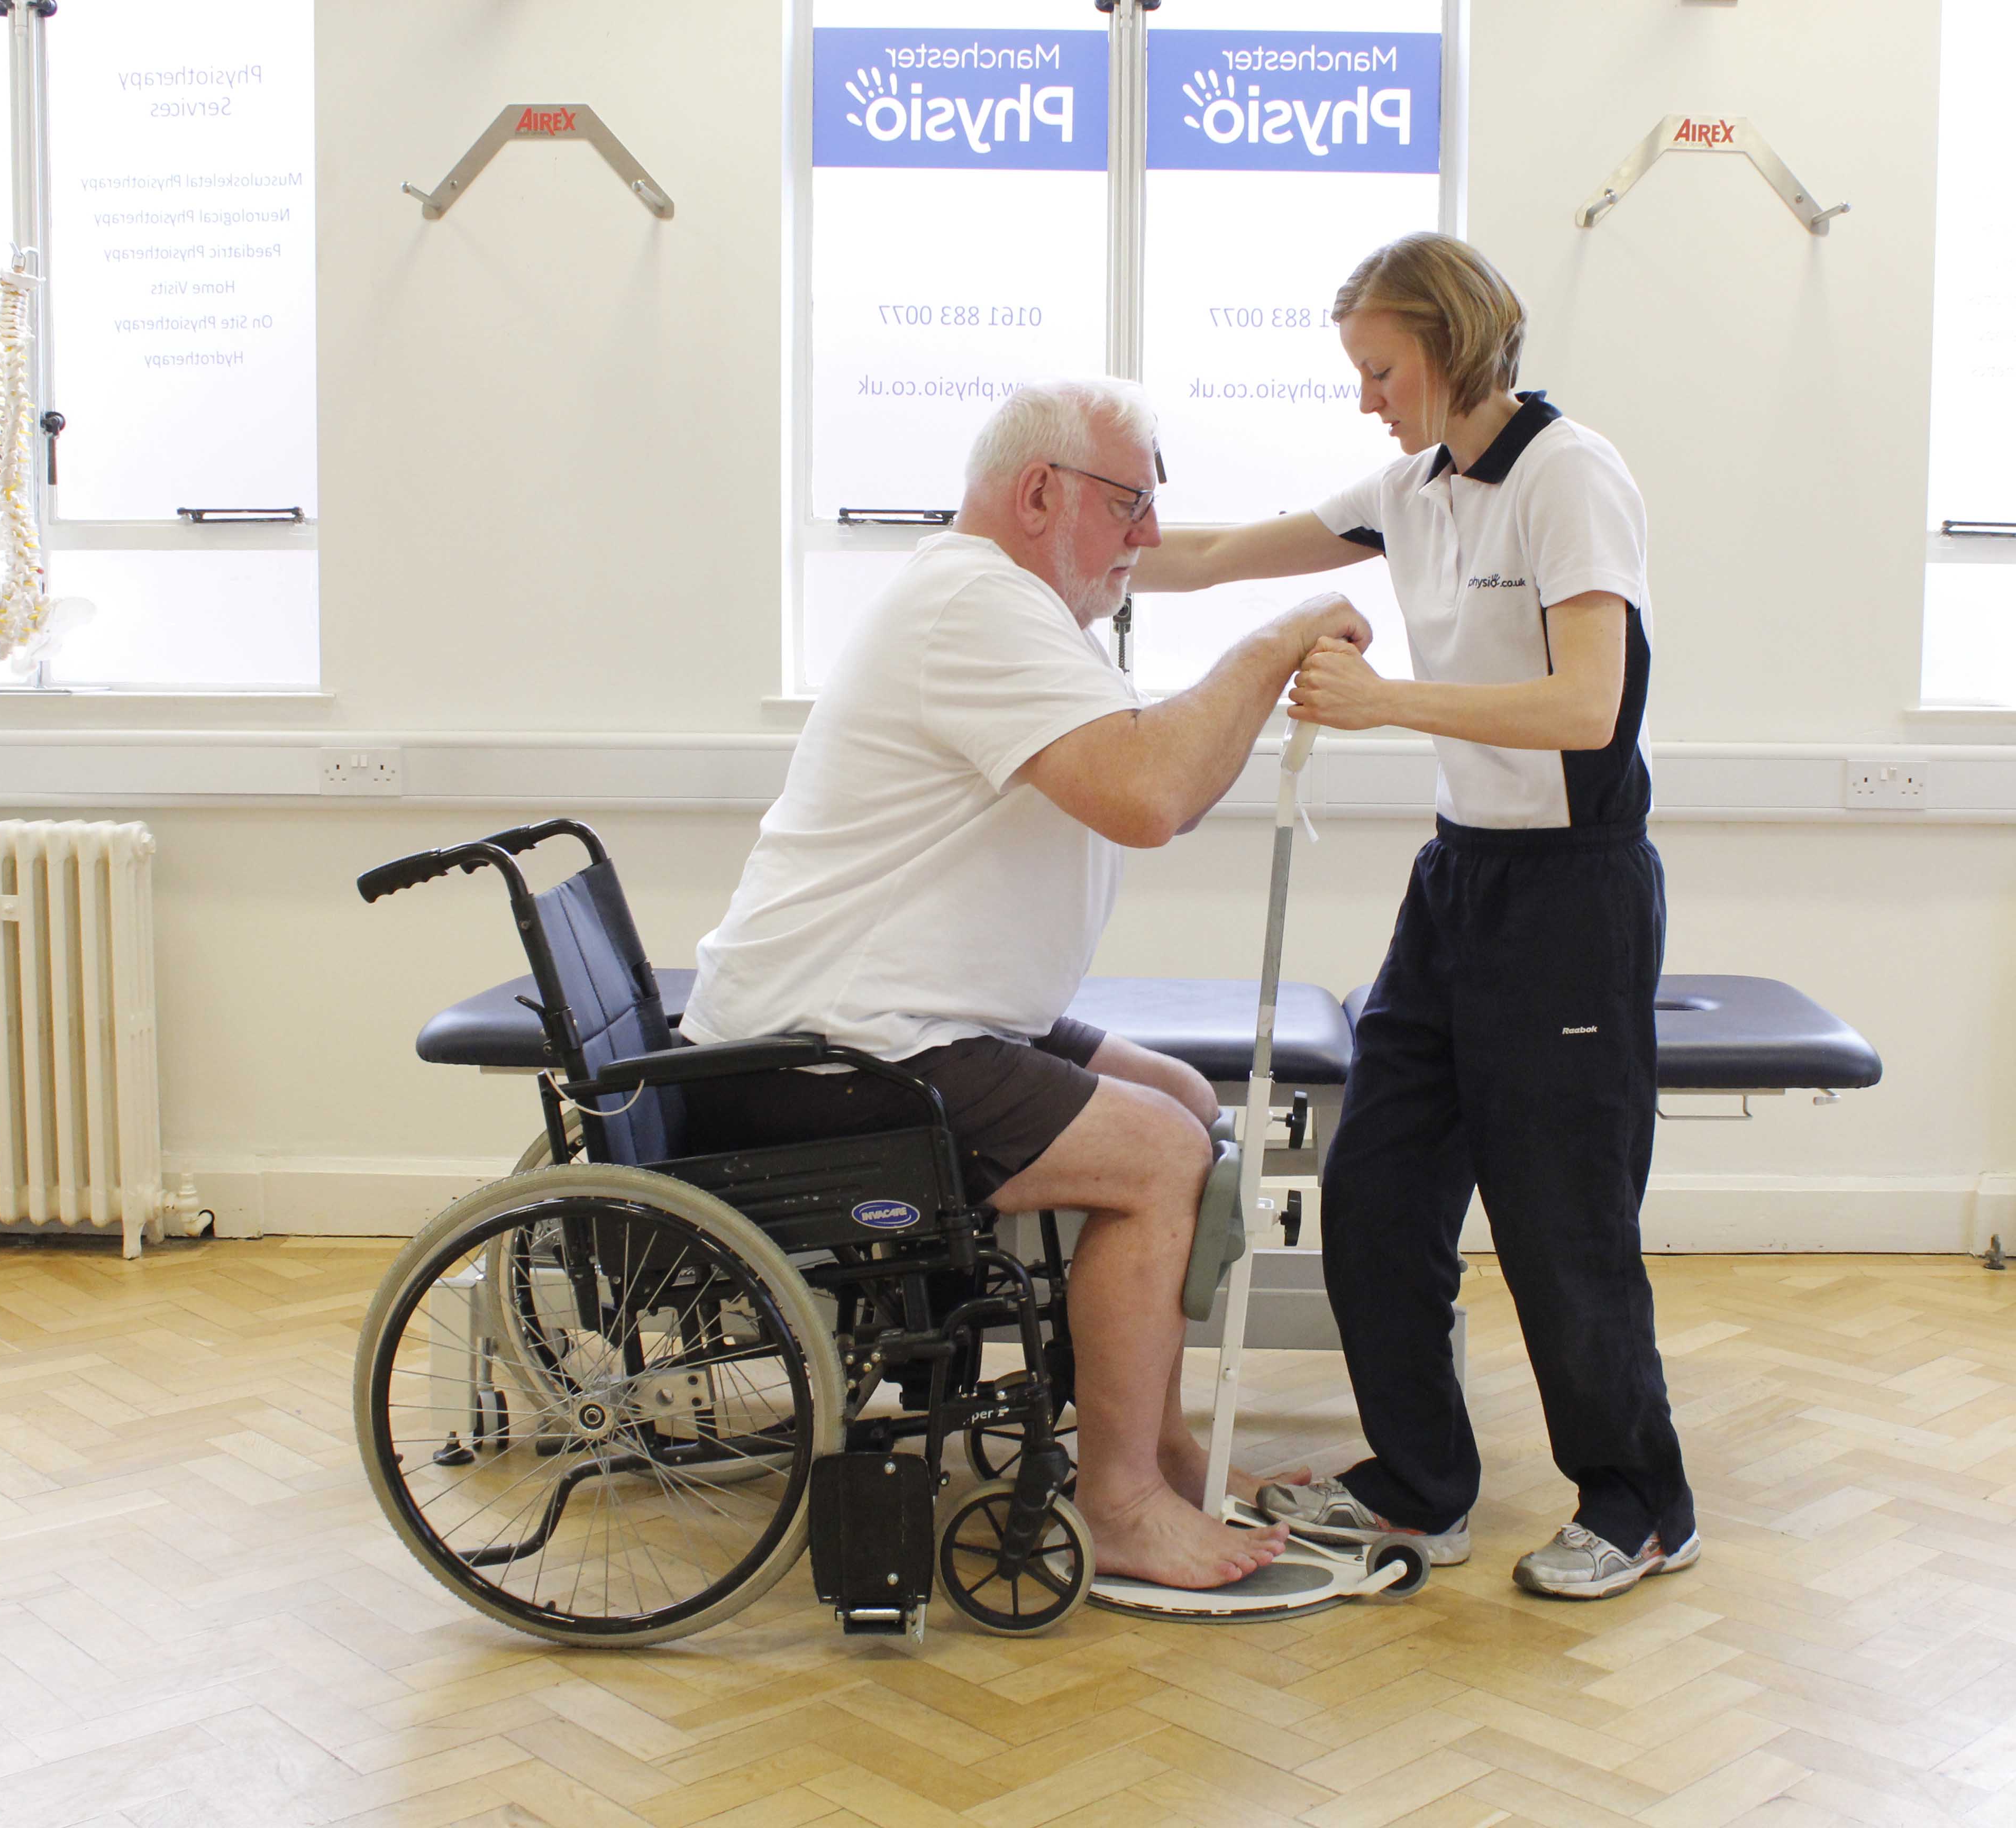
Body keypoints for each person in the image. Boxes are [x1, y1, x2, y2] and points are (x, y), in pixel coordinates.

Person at [680, 378, 1369, 1591]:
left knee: (1184, 1104)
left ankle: (1156, 1441)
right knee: (1157, 1157)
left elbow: (1164, 772)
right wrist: (1270, 646)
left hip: (909, 1013)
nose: (1147, 537)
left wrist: (1279, 631)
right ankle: (1121, 1505)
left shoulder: (1011, 606)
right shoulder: (977, 607)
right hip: (835, 1052)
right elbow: (1151, 796)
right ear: (1041, 493)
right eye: (1132, 506)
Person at [1131, 232, 1699, 1601]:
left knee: (1562, 1222)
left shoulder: (1571, 479)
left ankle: (1639, 1500)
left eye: (1381, 369)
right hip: (1458, 883)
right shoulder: (1413, 489)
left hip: (1573, 894)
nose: (1368, 397)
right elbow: (1210, 555)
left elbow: (1587, 707)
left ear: (1450, 349)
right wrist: (1047, 552)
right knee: (1377, 1189)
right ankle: (1419, 1483)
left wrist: (1388, 705)